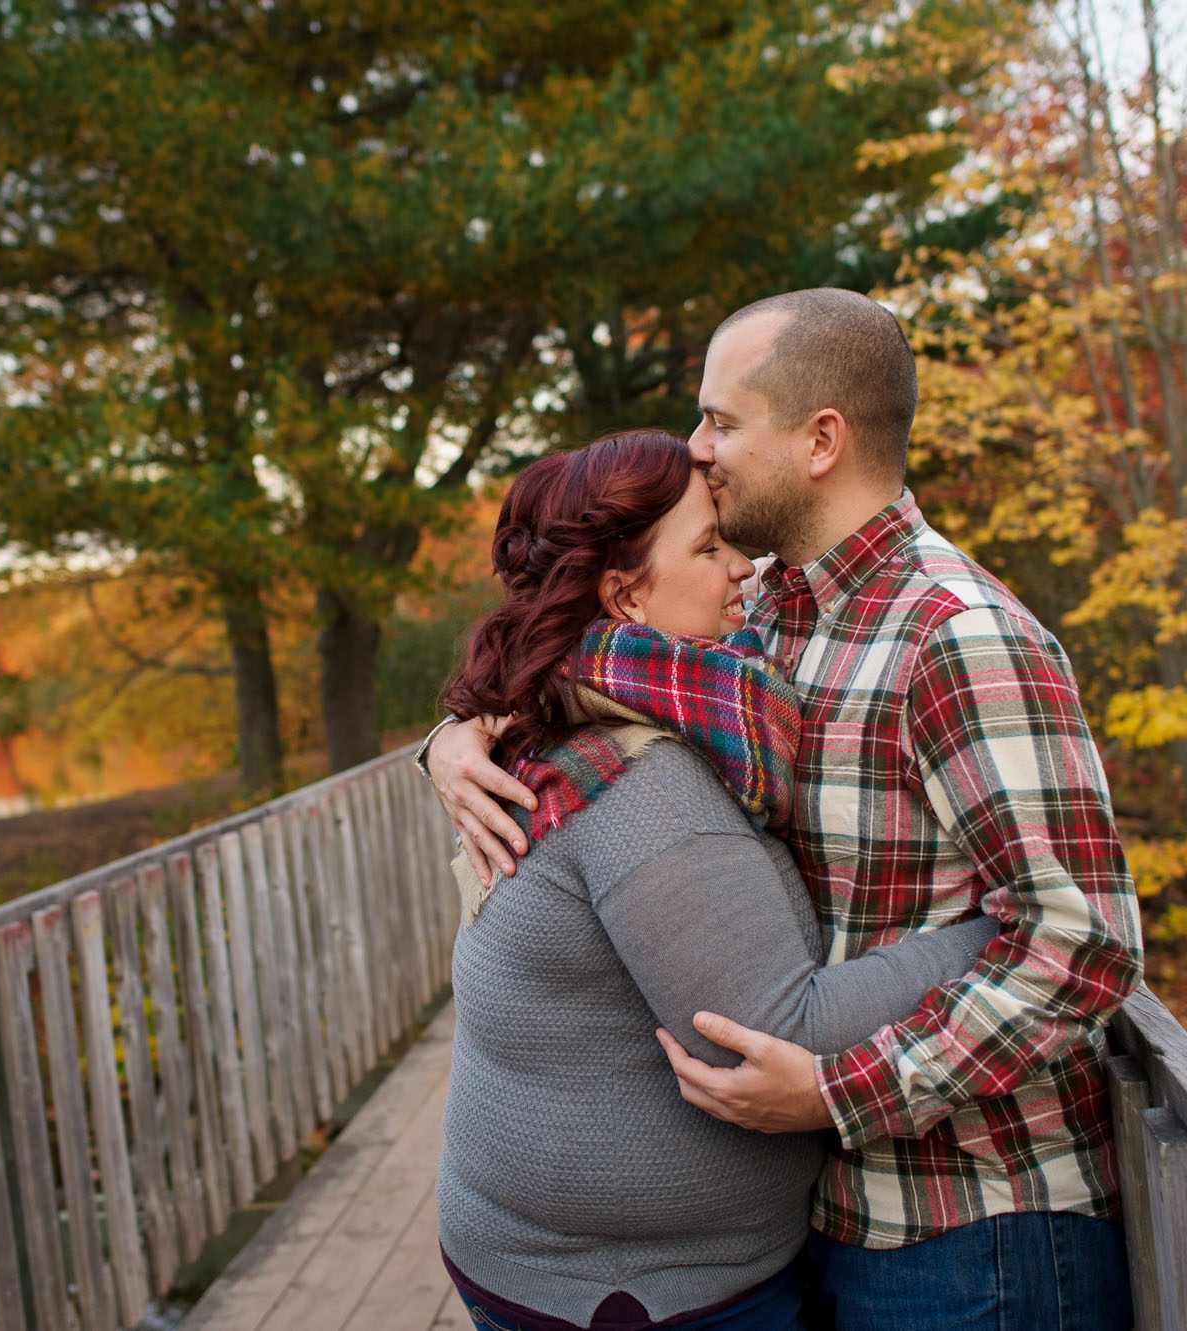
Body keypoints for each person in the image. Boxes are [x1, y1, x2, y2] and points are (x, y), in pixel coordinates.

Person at [426, 290, 1144, 1331]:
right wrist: (450, 738)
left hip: (972, 1220)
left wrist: (838, 1092)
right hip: (834, 1208)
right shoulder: (758, 616)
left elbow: (1083, 941)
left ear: (819, 439)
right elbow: (573, 647)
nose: (696, 447)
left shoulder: (959, 635)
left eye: (720, 420)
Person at [433, 427, 999, 1331]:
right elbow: (774, 1028)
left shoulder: (571, 696)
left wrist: (445, 738)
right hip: (633, 1293)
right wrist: (995, 931)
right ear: (624, 594)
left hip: (551, 1257)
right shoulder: (642, 785)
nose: (744, 569)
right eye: (708, 548)